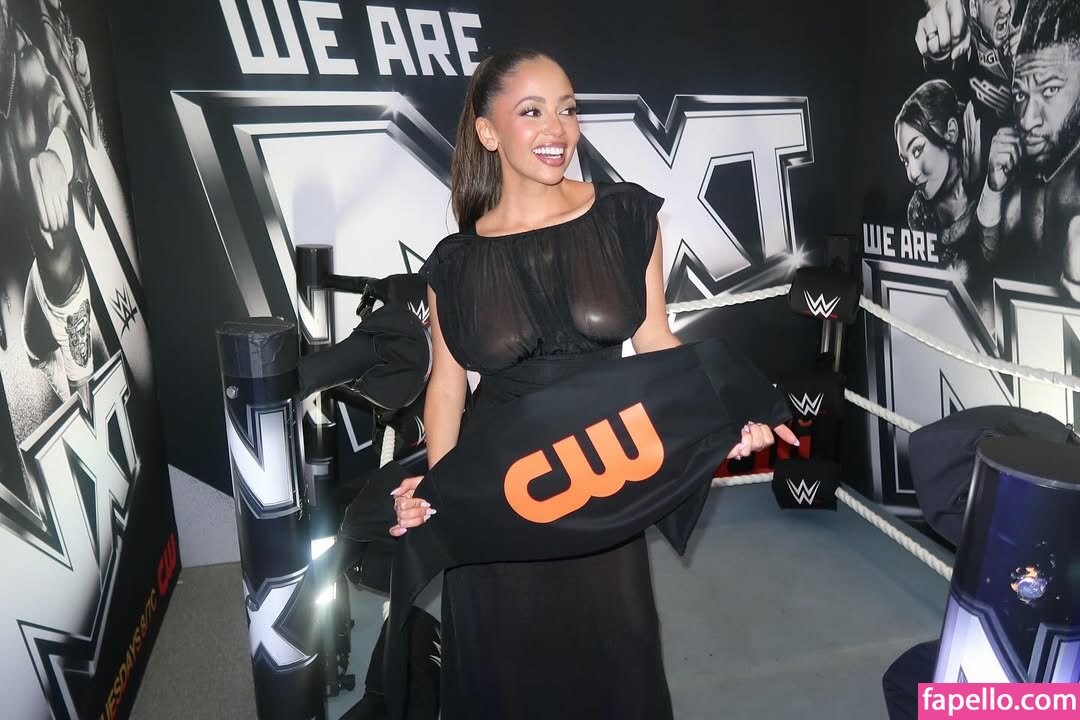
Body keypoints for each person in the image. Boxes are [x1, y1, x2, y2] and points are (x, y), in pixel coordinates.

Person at [387, 49, 796, 718]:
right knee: (505, 678)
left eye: (568, 109)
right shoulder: (454, 264)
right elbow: (448, 388)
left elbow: (656, 340)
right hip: (503, 487)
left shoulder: (626, 216)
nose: (557, 129)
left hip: (599, 474)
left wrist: (725, 408)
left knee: (614, 664)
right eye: (532, 111)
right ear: (487, 131)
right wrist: (443, 489)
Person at [975, 0, 1080, 300]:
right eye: (1021, 94)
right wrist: (993, 190)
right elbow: (986, 260)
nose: (1027, 119)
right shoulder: (1034, 165)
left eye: (1049, 90)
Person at [895, 80, 994, 321]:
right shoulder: (919, 211)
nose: (912, 174)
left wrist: (985, 189)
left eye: (917, 150)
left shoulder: (993, 171)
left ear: (950, 132)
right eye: (905, 160)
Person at [914, 0, 1020, 123]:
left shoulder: (1028, 21)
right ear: (973, 7)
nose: (1007, 7)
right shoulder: (967, 38)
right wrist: (939, 49)